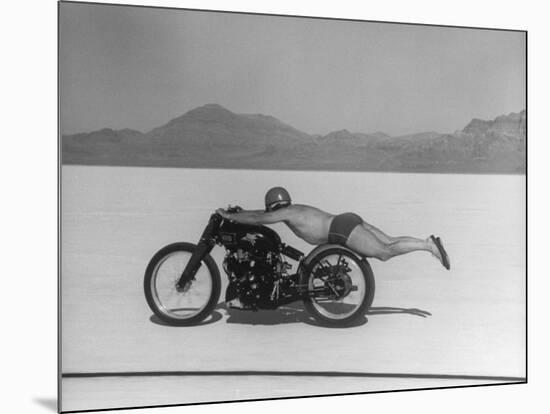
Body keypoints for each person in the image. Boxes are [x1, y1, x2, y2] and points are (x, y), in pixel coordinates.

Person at [216, 186, 450, 270]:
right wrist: (238, 214)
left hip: (339, 229)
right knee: (388, 241)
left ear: (273, 205)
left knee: (384, 252)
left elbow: (260, 219)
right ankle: (426, 242)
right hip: (346, 220)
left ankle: (427, 246)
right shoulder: (295, 208)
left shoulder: (285, 213)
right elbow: (258, 214)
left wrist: (229, 216)